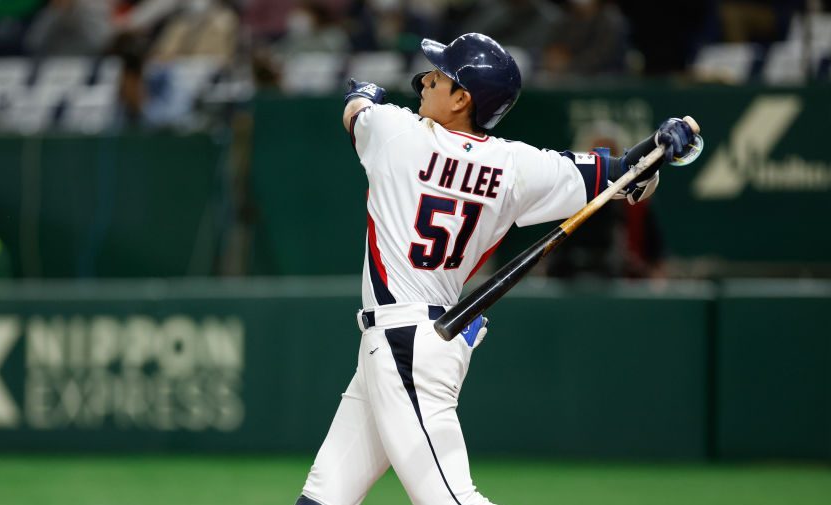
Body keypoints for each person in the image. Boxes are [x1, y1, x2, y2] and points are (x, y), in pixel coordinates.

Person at [294, 33, 700, 505]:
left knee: (452, 498)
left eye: (439, 76)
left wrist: (364, 92)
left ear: (462, 98)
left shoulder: (393, 130)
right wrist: (662, 146)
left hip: (406, 343)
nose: (425, 79)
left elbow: (356, 109)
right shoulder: (515, 166)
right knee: (325, 496)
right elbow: (627, 178)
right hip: (418, 340)